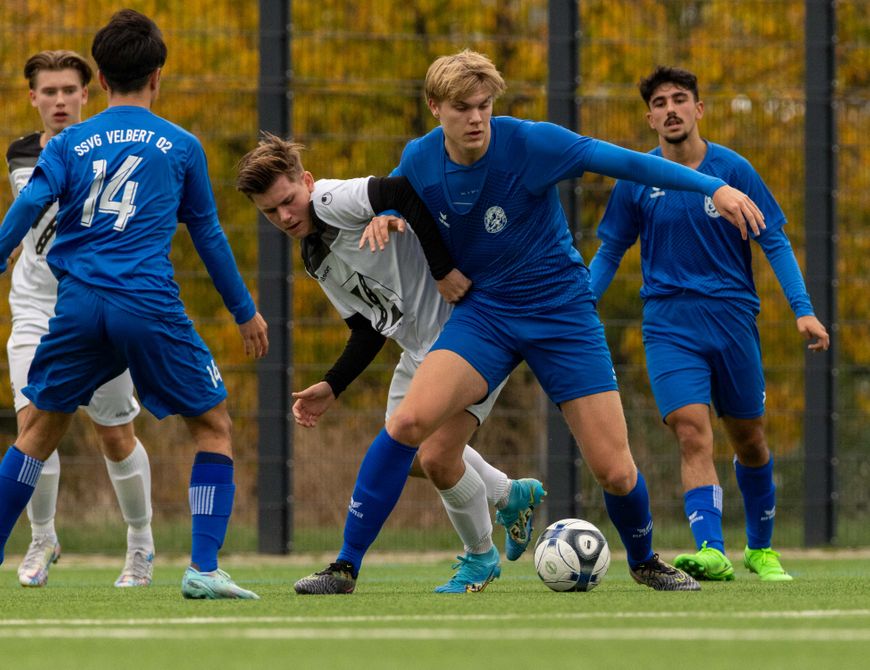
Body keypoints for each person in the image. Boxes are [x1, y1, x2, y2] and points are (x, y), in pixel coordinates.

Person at [358, 49, 766, 592]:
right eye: (462, 108)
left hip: (562, 314)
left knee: (614, 471)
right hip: (487, 315)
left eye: (484, 105)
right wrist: (387, 214)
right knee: (412, 428)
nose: (477, 118)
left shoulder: (532, 143)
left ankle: (645, 561)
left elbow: (627, 162)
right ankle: (345, 566)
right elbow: (395, 195)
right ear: (435, 107)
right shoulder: (419, 157)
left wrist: (711, 185)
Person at [0, 9, 268, 600]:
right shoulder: (182, 145)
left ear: (98, 79)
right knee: (213, 426)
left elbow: (27, 208)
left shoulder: (68, 143)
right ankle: (202, 567)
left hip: (76, 306)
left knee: (37, 432)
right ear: (157, 76)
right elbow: (208, 235)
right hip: (145, 303)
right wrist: (243, 310)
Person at [235, 133, 545, 594]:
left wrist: (435, 264)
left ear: (307, 182)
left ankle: (478, 558)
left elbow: (402, 190)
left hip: (469, 332)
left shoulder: (333, 199)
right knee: (408, 458)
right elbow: (367, 328)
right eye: (270, 212)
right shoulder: (314, 255)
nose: (284, 216)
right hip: (418, 350)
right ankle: (509, 494)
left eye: (288, 201)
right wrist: (332, 385)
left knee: (436, 458)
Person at [588, 65, 830, 582]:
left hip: (732, 320)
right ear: (650, 119)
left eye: (680, 99)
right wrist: (580, 304)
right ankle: (712, 549)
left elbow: (774, 240)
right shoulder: (638, 178)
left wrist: (803, 309)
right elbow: (610, 250)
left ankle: (760, 549)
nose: (670, 109)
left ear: (698, 109)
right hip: (668, 324)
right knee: (691, 431)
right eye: (659, 103)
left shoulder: (733, 170)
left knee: (750, 439)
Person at [5, 49, 155, 589]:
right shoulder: (20, 154)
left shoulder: (108, 150)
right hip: (34, 309)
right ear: (33, 97)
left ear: (87, 95)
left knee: (114, 433)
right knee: (33, 424)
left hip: (96, 305)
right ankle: (42, 537)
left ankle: (140, 544)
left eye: (70, 90)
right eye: (49, 91)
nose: (60, 100)